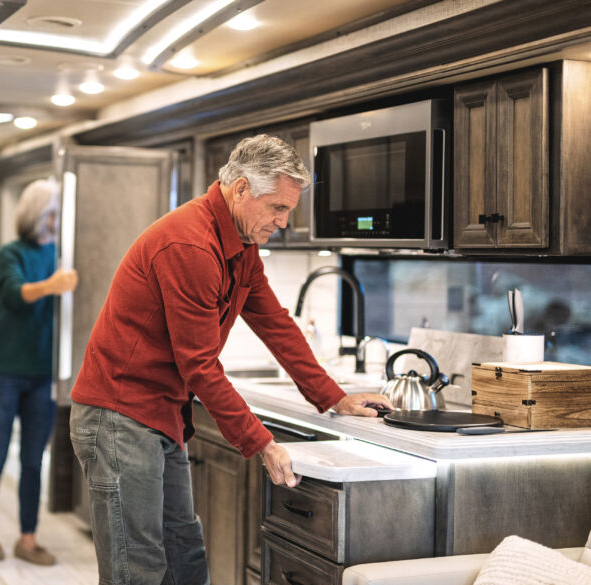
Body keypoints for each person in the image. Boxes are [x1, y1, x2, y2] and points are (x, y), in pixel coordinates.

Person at [69, 134, 393, 584]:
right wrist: (259, 442)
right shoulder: (191, 246)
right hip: (119, 415)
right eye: (276, 208)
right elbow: (199, 365)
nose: (281, 221)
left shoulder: (241, 245)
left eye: (288, 211)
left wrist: (333, 397)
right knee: (136, 568)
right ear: (241, 189)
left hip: (161, 414)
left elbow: (274, 322)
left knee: (185, 555)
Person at [0, 178, 78, 565]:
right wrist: (52, 285)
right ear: (38, 215)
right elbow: (14, 295)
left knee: (34, 461)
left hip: (42, 375)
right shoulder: (10, 253)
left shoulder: (62, 257)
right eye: (52, 214)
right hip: (1, 371)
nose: (56, 222)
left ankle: (28, 539)